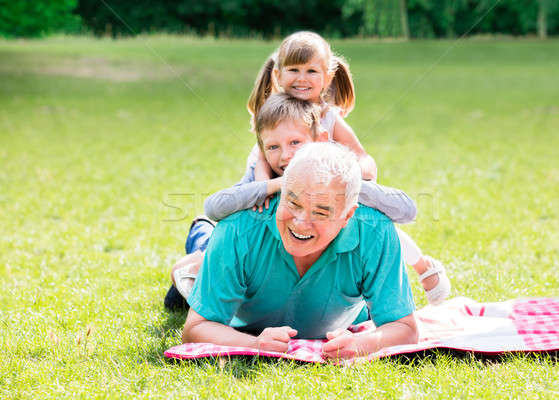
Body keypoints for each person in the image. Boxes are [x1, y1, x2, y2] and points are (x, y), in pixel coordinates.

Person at [164, 92, 449, 309]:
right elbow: (214, 207)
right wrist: (274, 185)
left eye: (295, 143)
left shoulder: (336, 180)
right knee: (205, 249)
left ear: (321, 139)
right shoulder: (265, 178)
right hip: (235, 248)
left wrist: (351, 185)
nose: (285, 155)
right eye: (273, 147)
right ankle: (199, 240)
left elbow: (406, 211)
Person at [247, 31, 450, 304]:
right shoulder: (274, 112)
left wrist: (352, 172)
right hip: (282, 191)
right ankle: (211, 268)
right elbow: (261, 157)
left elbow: (364, 158)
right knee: (247, 223)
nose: (302, 78)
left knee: (370, 224)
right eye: (294, 70)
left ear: (328, 77)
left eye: (311, 71)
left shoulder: (329, 117)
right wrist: (264, 188)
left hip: (325, 192)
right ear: (278, 75)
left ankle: (422, 266)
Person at [182, 142, 418, 360]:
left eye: (321, 212)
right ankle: (196, 250)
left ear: (347, 215)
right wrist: (255, 344)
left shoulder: (375, 231)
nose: (301, 223)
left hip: (341, 320)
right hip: (243, 315)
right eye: (293, 203)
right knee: (194, 268)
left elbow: (404, 328)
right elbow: (197, 327)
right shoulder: (237, 229)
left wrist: (359, 344)